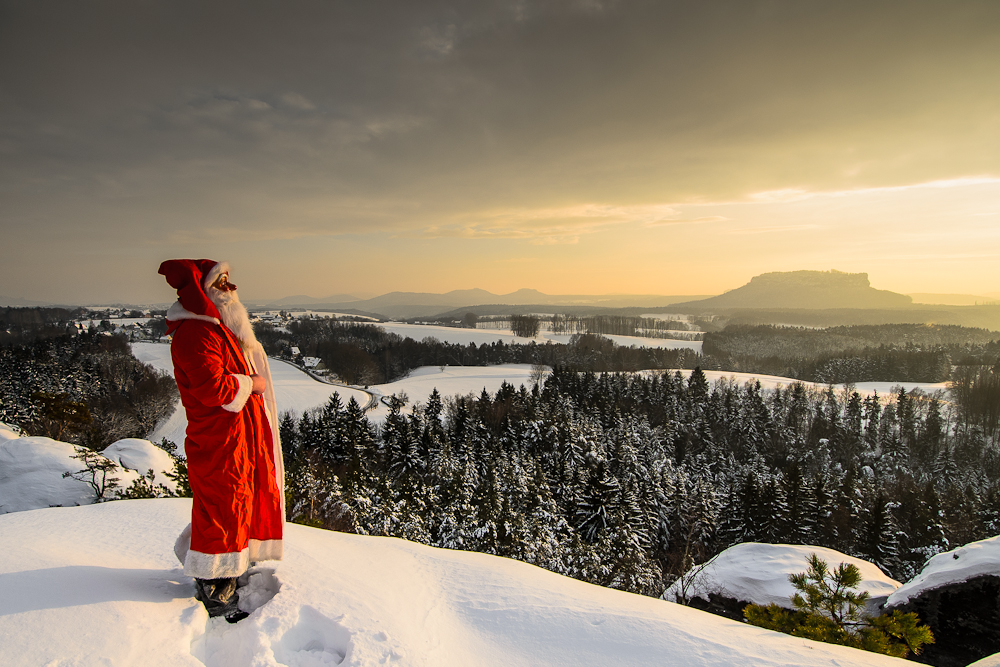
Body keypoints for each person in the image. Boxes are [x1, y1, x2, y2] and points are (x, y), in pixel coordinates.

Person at [158, 259, 284, 622]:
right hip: (218, 439)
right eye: (222, 282)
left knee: (236, 502)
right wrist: (254, 384)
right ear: (203, 290)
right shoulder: (196, 333)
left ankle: (228, 571)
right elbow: (215, 388)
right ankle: (215, 592)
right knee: (222, 506)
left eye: (229, 281)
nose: (231, 288)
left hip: (234, 436)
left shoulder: (217, 330)